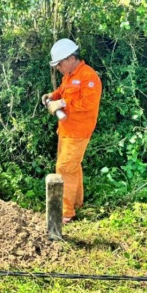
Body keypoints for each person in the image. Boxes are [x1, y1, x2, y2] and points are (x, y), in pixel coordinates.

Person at [41, 38, 102, 224]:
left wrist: (63, 103)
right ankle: (76, 202)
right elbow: (62, 90)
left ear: (70, 58)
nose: (58, 68)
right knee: (72, 167)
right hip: (66, 129)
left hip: (79, 131)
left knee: (64, 168)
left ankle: (66, 213)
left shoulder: (88, 77)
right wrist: (52, 96)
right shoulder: (69, 76)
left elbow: (88, 103)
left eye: (59, 64)